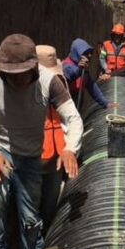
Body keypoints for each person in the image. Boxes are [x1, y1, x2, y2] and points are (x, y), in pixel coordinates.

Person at [0, 35, 82, 249]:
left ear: (34, 67)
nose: (17, 79)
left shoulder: (49, 82)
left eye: (22, 73)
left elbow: (73, 118)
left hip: (31, 155)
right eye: (11, 74)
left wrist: (70, 148)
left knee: (30, 215)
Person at [36, 45, 80, 228]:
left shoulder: (59, 83)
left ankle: (44, 237)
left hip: (56, 156)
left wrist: (70, 148)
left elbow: (72, 118)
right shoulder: (25, 91)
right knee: (30, 208)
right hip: (33, 159)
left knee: (49, 204)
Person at [62, 38, 109, 110]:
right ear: (78, 53)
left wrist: (106, 103)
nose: (89, 56)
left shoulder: (84, 68)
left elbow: (92, 87)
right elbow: (71, 76)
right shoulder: (67, 65)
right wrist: (79, 68)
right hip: (66, 103)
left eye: (90, 53)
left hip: (78, 102)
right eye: (86, 53)